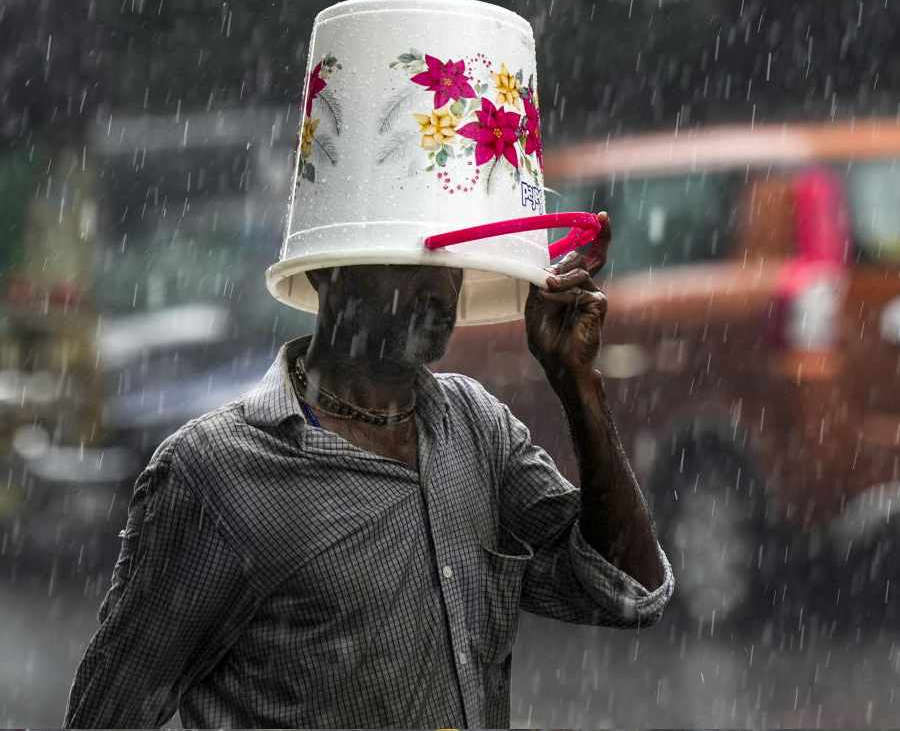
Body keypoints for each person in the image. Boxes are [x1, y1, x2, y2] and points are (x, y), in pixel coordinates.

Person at [63, 211, 674, 729]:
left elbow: (627, 590)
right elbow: (108, 714)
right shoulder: (216, 473)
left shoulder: (478, 429)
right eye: (410, 263)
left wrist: (577, 385)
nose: (442, 292)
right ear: (331, 270)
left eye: (451, 264)